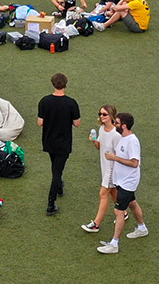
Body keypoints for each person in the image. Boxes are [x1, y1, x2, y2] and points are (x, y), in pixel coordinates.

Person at [95, 112, 145, 254]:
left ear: (123, 125)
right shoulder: (122, 138)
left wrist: (115, 158)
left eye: (116, 123)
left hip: (128, 182)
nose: (114, 124)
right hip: (121, 180)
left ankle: (114, 244)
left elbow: (135, 163)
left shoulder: (132, 141)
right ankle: (142, 228)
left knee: (119, 211)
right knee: (132, 203)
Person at [37, 73, 80, 215]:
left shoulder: (44, 101)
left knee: (55, 167)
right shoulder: (71, 103)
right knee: (57, 172)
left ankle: (59, 186)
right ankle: (51, 203)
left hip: (49, 141)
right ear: (65, 84)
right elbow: (77, 123)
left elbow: (40, 122)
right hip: (64, 143)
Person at [80, 105, 120, 233]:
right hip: (105, 167)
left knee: (103, 194)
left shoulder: (116, 134)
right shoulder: (102, 129)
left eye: (104, 114)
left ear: (112, 116)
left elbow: (120, 154)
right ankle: (123, 211)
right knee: (113, 191)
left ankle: (96, 224)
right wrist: (94, 141)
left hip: (112, 169)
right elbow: (100, 147)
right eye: (100, 114)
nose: (101, 116)